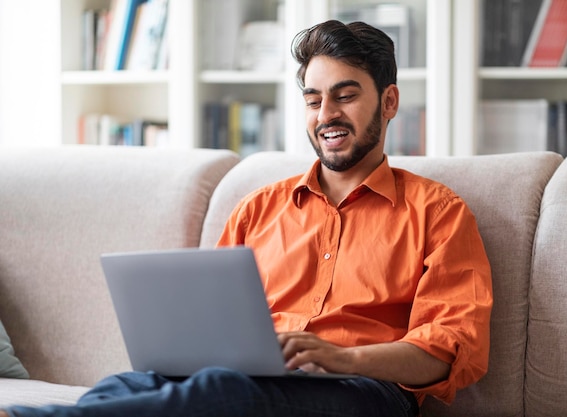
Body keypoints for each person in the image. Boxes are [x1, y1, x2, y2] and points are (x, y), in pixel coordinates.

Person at [1, 19, 492, 417]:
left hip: (362, 390)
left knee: (223, 392)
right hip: (245, 379)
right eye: (313, 99)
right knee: (124, 386)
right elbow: (209, 327)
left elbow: (448, 351)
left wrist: (342, 357)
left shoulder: (438, 214)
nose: (326, 114)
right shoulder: (259, 209)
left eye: (345, 96)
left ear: (388, 102)